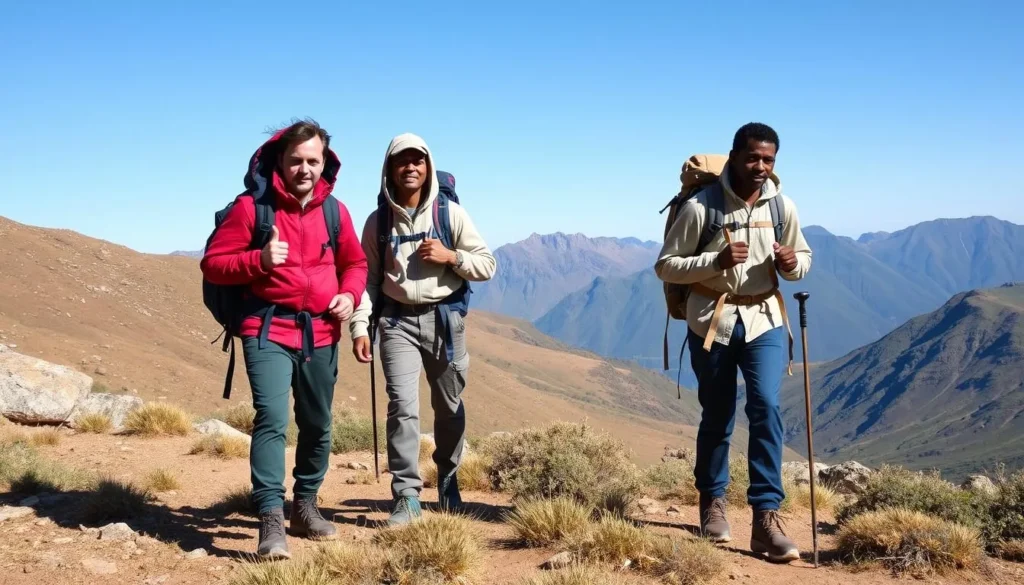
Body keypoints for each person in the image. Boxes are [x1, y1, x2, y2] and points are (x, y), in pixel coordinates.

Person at [200, 119, 368, 559]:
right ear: (281, 160)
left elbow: (356, 264)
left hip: (321, 332)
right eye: (296, 160)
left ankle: (306, 504)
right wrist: (260, 259)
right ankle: (271, 517)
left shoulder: (336, 212)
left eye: (313, 160)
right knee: (272, 418)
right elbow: (214, 264)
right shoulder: (251, 209)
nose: (305, 169)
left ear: (324, 162)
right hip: (267, 328)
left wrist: (349, 296)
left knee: (318, 423)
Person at [654, 122, 812, 563]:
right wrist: (715, 261)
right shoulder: (702, 208)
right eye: (753, 158)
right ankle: (713, 503)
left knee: (766, 407)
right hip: (713, 321)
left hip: (764, 320)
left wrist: (791, 263)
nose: (761, 167)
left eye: (769, 160)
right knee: (718, 413)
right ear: (735, 156)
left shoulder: (782, 208)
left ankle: (766, 516)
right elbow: (666, 266)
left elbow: (804, 258)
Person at [349, 132, 496, 526]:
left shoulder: (450, 215)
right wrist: (360, 325)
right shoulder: (377, 222)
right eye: (402, 161)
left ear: (428, 166)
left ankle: (448, 477)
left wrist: (452, 256)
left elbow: (487, 265)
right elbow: (367, 281)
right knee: (402, 407)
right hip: (396, 322)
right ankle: (406, 495)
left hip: (445, 320)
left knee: (448, 407)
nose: (410, 167)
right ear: (390, 170)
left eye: (418, 160)